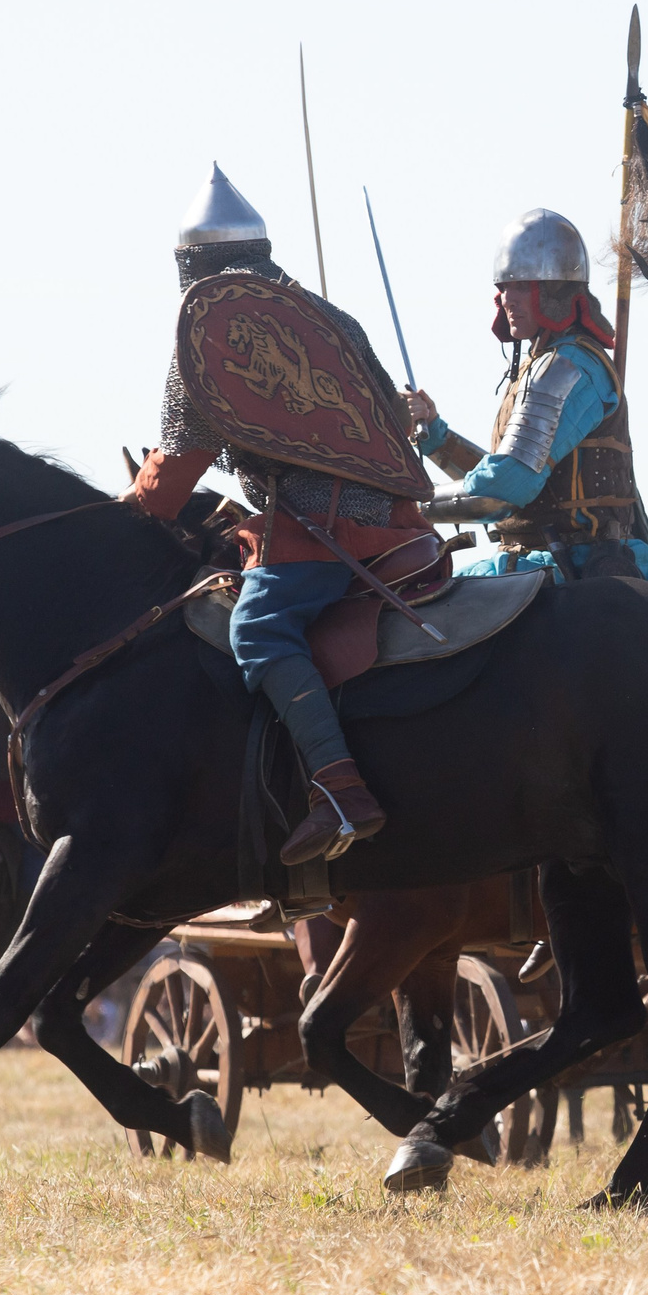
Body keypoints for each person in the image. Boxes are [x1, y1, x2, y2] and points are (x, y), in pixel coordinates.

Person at [124, 164, 433, 864]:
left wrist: (131, 505)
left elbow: (173, 479)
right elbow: (391, 420)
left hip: (319, 538)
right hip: (394, 521)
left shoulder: (206, 338)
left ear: (191, 266)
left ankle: (339, 787)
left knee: (258, 629)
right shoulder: (330, 316)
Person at [403, 208, 648, 639]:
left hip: (573, 565)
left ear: (551, 292)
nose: (505, 298)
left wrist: (408, 503)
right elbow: (506, 482)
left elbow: (502, 491)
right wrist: (435, 434)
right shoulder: (541, 367)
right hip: (526, 560)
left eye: (518, 286)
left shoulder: (567, 367)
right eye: (502, 287)